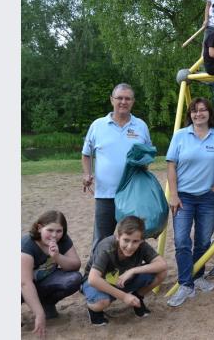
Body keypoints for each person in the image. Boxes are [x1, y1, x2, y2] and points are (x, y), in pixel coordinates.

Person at [165, 98, 214, 307]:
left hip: (208, 197)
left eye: (203, 110)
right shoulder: (180, 136)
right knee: (181, 240)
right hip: (183, 197)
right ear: (189, 114)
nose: (199, 114)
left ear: (209, 113)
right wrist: (173, 194)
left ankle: (198, 276)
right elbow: (171, 166)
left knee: (203, 240)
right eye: (194, 111)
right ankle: (185, 284)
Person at [82, 83, 152, 251]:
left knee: (132, 239)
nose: (123, 102)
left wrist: (144, 163)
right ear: (111, 100)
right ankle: (93, 275)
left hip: (132, 195)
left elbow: (148, 155)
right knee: (102, 238)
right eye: (119, 98)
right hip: (105, 194)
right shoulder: (97, 125)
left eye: (127, 98)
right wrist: (87, 174)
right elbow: (86, 154)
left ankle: (129, 273)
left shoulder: (141, 126)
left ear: (133, 102)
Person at [81, 216, 168, 326]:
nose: (130, 246)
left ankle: (137, 297)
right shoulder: (106, 246)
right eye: (126, 240)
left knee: (161, 272)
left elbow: (162, 264)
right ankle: (93, 310)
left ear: (141, 240)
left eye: (135, 241)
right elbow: (93, 279)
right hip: (99, 282)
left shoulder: (142, 246)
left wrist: (132, 271)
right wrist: (124, 296)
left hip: (122, 279)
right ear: (118, 237)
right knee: (101, 303)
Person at [21, 210, 82, 338]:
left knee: (74, 279)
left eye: (59, 231)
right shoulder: (27, 245)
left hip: (42, 282)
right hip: (23, 287)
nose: (54, 235)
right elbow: (25, 283)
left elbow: (76, 265)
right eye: (50, 230)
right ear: (39, 228)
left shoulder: (63, 240)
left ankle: (46, 304)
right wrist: (39, 314)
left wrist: (57, 257)